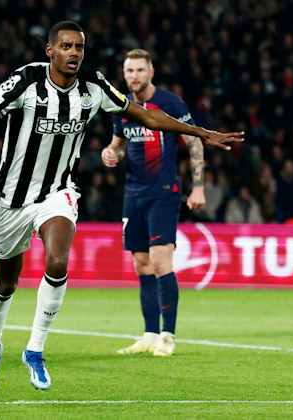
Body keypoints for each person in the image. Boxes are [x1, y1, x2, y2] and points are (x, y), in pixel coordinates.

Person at [0, 21, 242, 398]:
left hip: (57, 193)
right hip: (10, 200)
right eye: (66, 46)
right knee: (6, 282)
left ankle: (35, 349)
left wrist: (200, 132)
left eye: (79, 46)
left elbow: (146, 116)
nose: (74, 53)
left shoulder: (94, 86)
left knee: (58, 261)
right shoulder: (26, 82)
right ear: (50, 51)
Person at [101, 49, 208, 356]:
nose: (134, 75)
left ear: (151, 72)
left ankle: (168, 335)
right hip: (133, 194)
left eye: (139, 70)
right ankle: (149, 334)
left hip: (163, 191)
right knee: (141, 264)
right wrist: (111, 153)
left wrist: (198, 187)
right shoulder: (122, 106)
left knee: (161, 261)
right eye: (129, 70)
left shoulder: (169, 103)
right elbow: (118, 144)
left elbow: (194, 142)